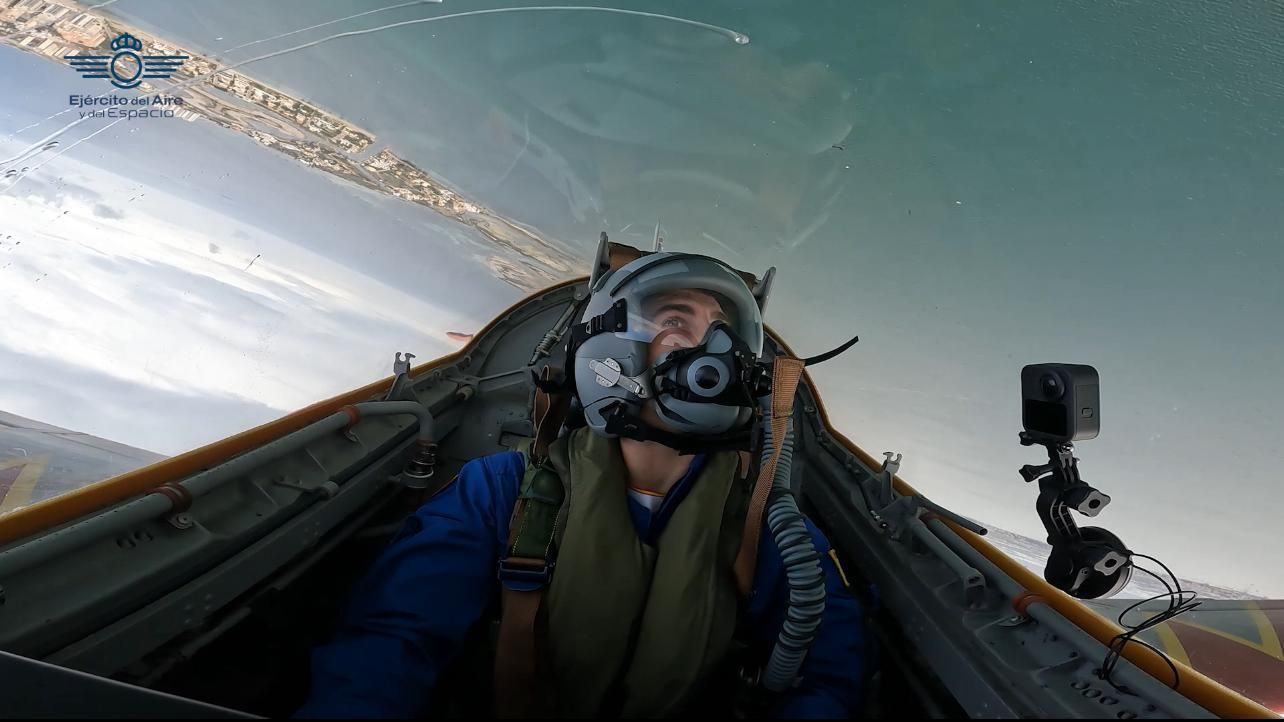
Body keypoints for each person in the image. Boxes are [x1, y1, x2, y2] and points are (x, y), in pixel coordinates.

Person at [295, 249, 867, 719]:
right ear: (609, 349)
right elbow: (393, 644)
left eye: (725, 332)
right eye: (674, 321)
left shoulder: (768, 532)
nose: (713, 349)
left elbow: (826, 680)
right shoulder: (501, 491)